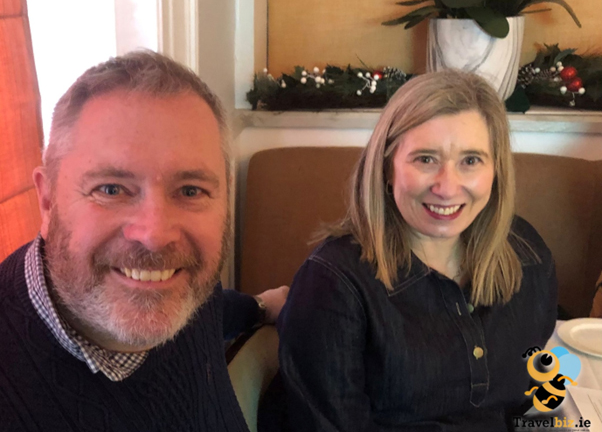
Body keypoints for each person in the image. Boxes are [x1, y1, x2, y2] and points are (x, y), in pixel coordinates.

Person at [0, 50, 288, 432]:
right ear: (48, 200)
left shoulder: (185, 286)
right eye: (111, 189)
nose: (155, 236)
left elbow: (212, 308)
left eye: (190, 190)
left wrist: (261, 306)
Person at [275, 71, 558, 431]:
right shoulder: (333, 283)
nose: (447, 187)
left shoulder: (527, 254)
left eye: (471, 160)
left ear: (496, 170)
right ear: (387, 168)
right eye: (425, 159)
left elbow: (531, 400)